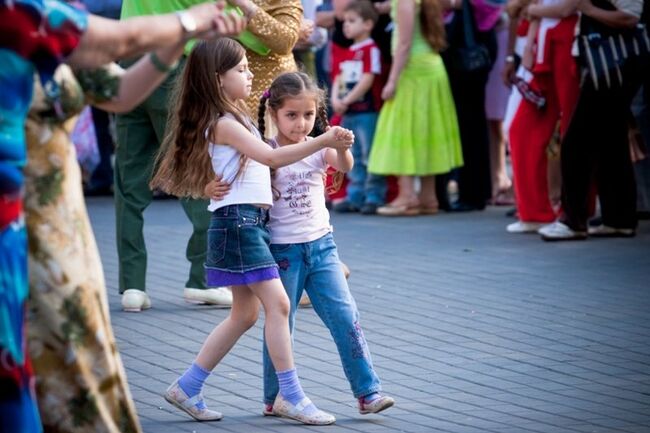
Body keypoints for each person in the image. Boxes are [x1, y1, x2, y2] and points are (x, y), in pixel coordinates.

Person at [0, 1, 245, 432]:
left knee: (68, 362)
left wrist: (178, 41)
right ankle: (193, 277)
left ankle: (141, 284)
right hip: (15, 220)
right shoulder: (22, 11)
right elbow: (121, 38)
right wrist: (187, 21)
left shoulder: (51, 19)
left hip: (60, 230)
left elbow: (122, 92)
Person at [149, 38, 354, 425]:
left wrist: (208, 184)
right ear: (217, 79)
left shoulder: (234, 118)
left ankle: (187, 387)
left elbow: (227, 164)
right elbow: (272, 156)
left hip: (244, 224)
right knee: (277, 305)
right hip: (240, 225)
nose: (248, 74)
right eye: (241, 69)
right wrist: (324, 140)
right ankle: (290, 397)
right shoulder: (226, 122)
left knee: (244, 315)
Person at [206, 71, 396, 417]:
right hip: (282, 252)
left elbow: (344, 164)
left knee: (345, 315)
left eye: (308, 115)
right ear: (274, 113)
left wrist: (339, 144)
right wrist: (209, 188)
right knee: (282, 322)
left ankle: (368, 392)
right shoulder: (266, 152)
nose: (300, 123)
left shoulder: (318, 146)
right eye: (291, 115)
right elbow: (230, 179)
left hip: (323, 247)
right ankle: (274, 397)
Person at [115, 0, 241, 311]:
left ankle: (132, 285)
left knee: (129, 182)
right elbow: (229, 17)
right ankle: (202, 278)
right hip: (176, 66)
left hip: (130, 61)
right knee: (194, 168)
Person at [539, 0, 648, 240]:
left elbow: (630, 17)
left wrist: (589, 10)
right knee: (611, 143)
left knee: (576, 143)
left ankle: (573, 221)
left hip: (612, 66)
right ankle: (619, 219)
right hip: (608, 65)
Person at [367, 0, 463, 215]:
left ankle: (407, 197)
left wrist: (392, 80)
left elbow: (404, 43)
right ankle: (428, 197)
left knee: (402, 129)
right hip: (430, 69)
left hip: (413, 72)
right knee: (426, 132)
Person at [506, 0, 580, 233]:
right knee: (521, 130)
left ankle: (574, 213)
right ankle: (534, 212)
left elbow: (567, 8)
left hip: (569, 42)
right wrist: (529, 45)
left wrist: (533, 11)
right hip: (543, 47)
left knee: (573, 129)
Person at [331, 0, 386, 215]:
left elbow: (368, 78)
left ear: (368, 24)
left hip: (366, 112)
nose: (346, 26)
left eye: (352, 21)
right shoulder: (348, 50)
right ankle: (355, 195)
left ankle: (373, 195)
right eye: (345, 21)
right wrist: (336, 99)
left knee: (369, 154)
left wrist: (348, 100)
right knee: (353, 153)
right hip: (349, 112)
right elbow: (338, 77)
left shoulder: (370, 49)